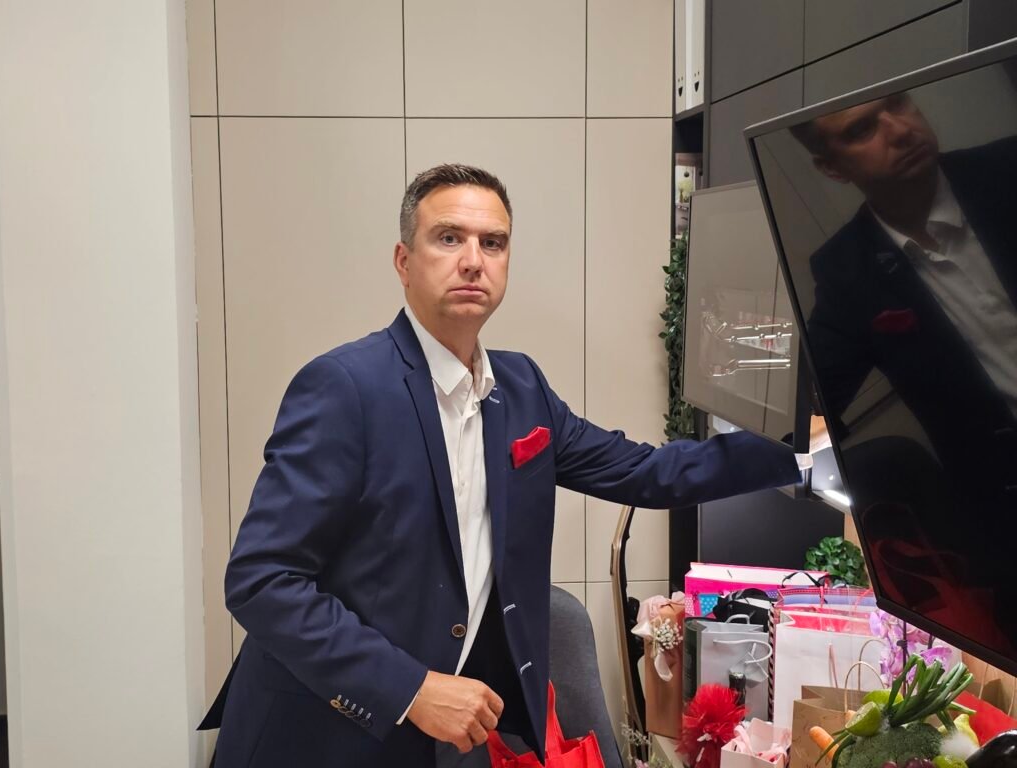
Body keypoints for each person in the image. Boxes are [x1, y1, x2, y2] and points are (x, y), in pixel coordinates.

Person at [202, 164, 808, 767]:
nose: (473, 261)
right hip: (325, 734)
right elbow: (262, 579)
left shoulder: (521, 389)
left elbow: (648, 473)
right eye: (449, 238)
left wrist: (803, 449)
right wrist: (411, 689)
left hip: (451, 739)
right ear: (403, 261)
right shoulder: (344, 388)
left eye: (492, 243)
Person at [789, 94, 1017, 653]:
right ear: (832, 167)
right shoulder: (848, 270)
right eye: (863, 129)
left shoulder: (1007, 169)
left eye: (899, 105)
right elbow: (810, 397)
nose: (899, 129)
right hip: (1001, 521)